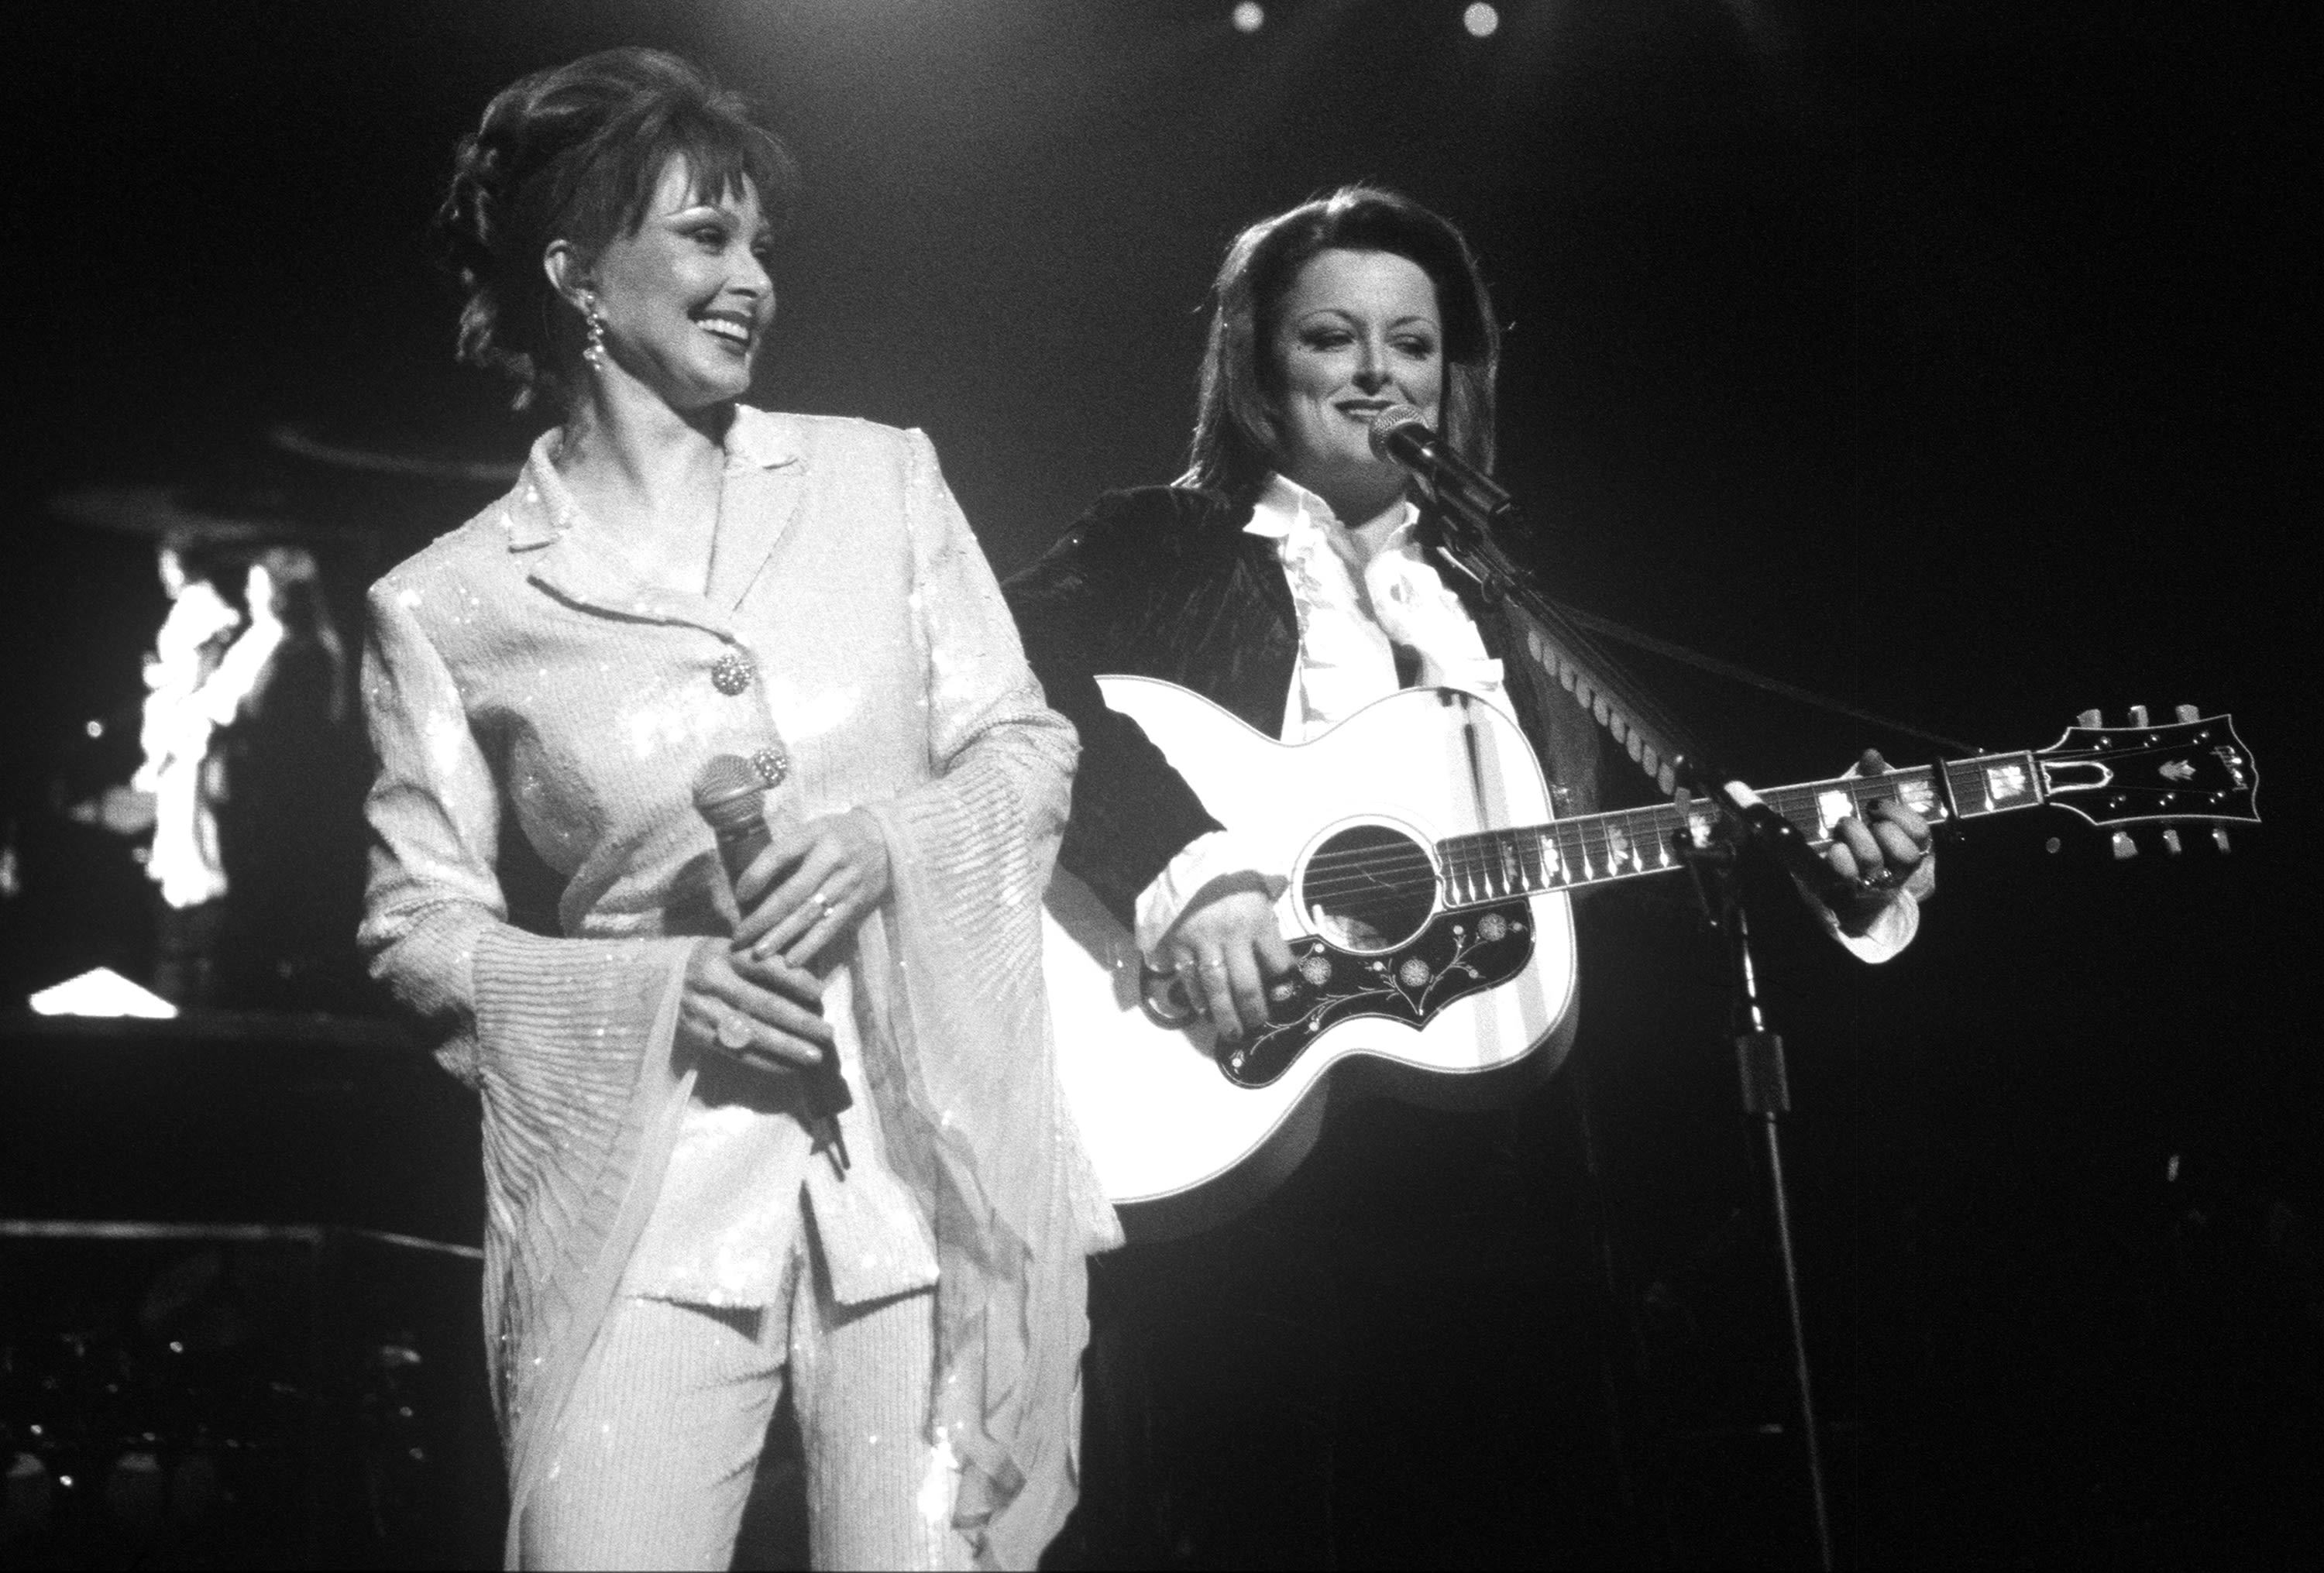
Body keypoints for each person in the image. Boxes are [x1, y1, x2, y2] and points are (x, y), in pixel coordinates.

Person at [1002, 185, 1934, 1559]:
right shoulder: (1157, 546)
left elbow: (1617, 884)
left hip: (1511, 1183)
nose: (1380, 375)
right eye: (1333, 338)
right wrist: (1193, 875)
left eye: (1416, 345)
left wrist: (1842, 878)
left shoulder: (1510, 608)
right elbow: (993, 685)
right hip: (1242, 1133)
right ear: (1260, 368)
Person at [359, 49, 1116, 1571]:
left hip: (933, 1184)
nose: (752, 278)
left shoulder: (880, 482)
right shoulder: (450, 600)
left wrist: (882, 842)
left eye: (759, 240)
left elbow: (1025, 747)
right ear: (577, 272)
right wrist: (654, 991)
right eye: (708, 235)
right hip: (639, 1209)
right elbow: (416, 930)